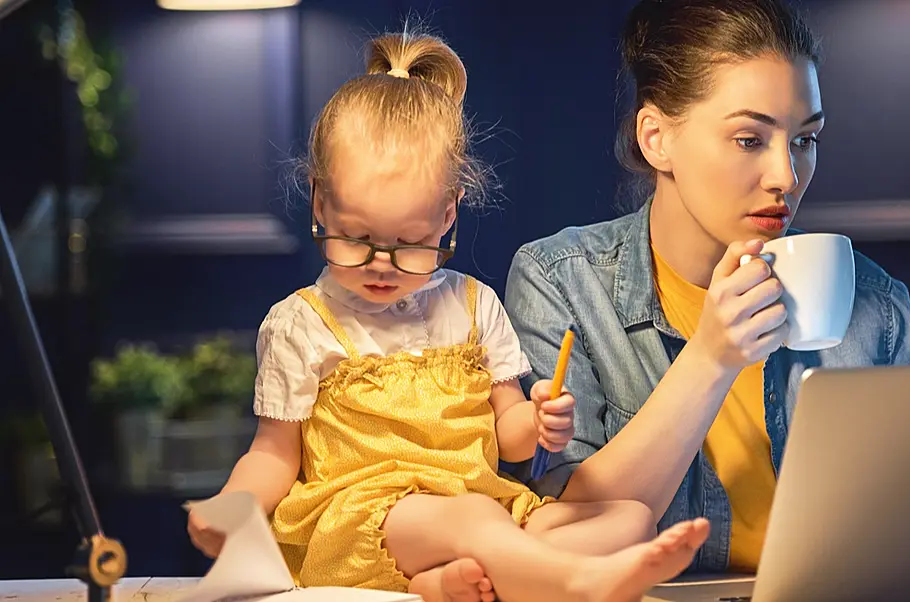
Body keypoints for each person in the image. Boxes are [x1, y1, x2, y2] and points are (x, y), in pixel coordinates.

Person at [185, 28, 709, 602]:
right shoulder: (302, 323)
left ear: (448, 214)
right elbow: (272, 454)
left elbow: (509, 441)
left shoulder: (473, 306)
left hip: (479, 507)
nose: (381, 265)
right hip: (365, 524)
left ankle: (447, 584)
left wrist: (537, 424)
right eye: (356, 238)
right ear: (318, 201)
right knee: (471, 522)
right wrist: (229, 509)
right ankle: (570, 582)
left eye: (410, 242)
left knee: (629, 518)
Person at [504, 0, 910, 575]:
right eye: (749, 139)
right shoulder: (562, 281)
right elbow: (565, 539)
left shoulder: (872, 304)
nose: (786, 177)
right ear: (656, 137)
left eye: (804, 140)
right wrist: (711, 359)